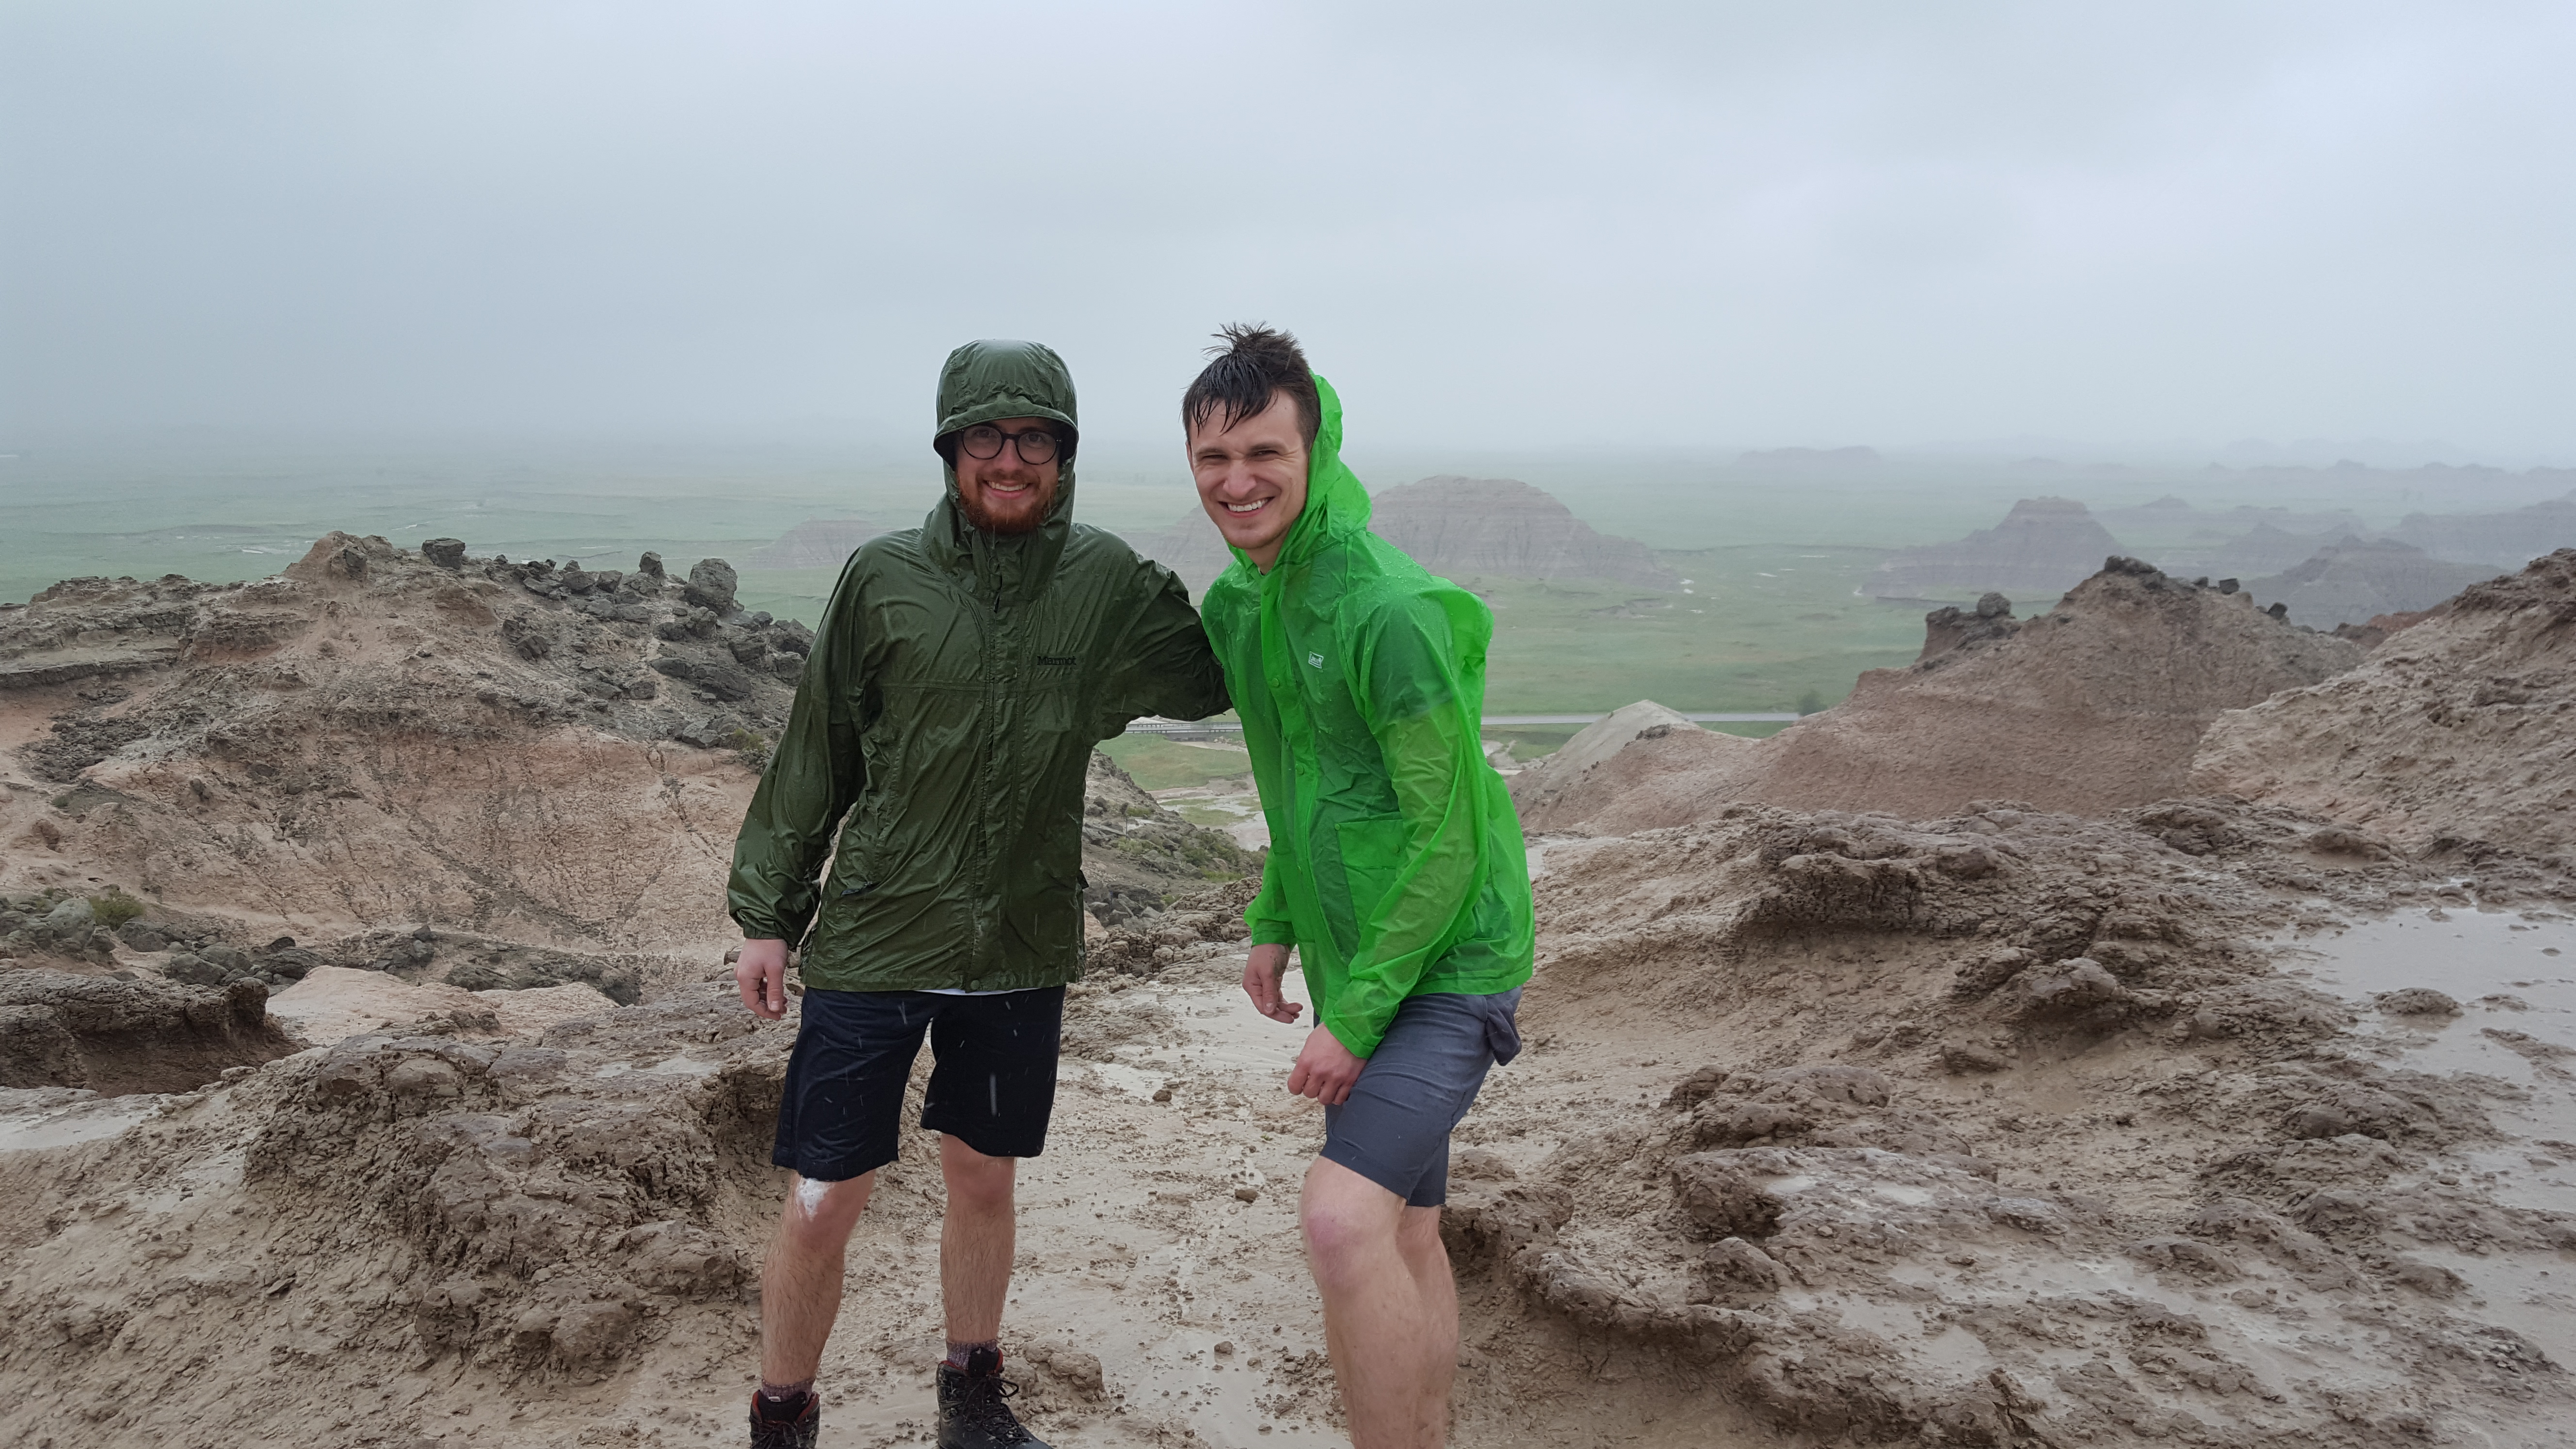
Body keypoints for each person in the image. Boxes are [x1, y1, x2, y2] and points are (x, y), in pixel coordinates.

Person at [728, 339, 1228, 1449]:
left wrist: (1278, 563)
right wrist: (769, 913)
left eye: (1035, 438)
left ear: (1065, 453)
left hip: (1018, 937)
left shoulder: (1105, 582)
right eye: (987, 438)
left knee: (984, 1177)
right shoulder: (882, 578)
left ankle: (972, 1397)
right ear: (952, 449)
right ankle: (782, 1415)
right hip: (876, 933)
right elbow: (820, 746)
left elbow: (1214, 673)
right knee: (823, 1195)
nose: (1011, 460)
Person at [1183, 325, 1534, 1449]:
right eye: (1213, 458)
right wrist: (1274, 922)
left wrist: (1359, 1014)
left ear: (1315, 450)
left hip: (1449, 959)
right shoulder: (1245, 606)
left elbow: (1449, 835)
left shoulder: (1387, 611)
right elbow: (1297, 779)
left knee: (1338, 1223)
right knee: (1402, 1232)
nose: (1237, 481)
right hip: (1358, 952)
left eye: (1264, 453)